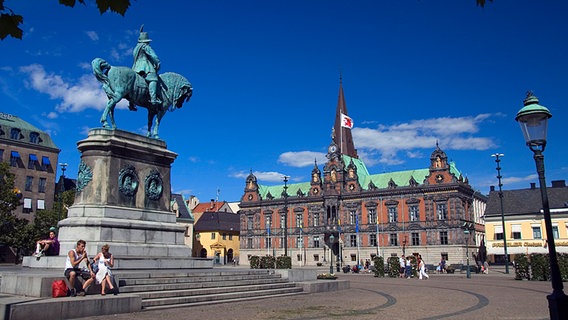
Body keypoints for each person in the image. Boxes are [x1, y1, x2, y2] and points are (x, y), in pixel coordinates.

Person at [132, 25, 161, 106]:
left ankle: (132, 103)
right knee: (153, 79)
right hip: (145, 67)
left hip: (135, 68)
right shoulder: (146, 46)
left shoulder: (136, 48)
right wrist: (158, 63)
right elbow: (154, 56)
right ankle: (153, 99)